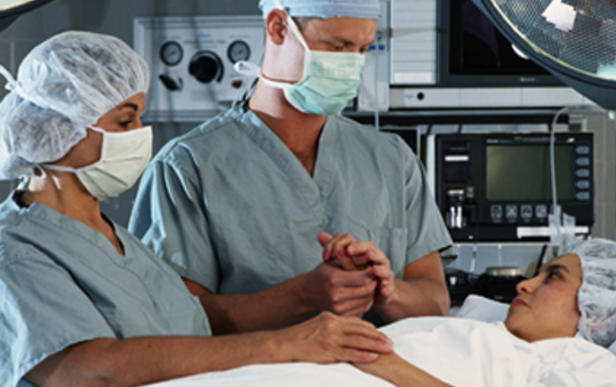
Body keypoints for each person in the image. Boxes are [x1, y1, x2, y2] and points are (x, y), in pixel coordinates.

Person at [0, 31, 394, 387]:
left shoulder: (116, 242)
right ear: (58, 127)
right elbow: (88, 369)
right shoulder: (15, 252)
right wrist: (285, 344)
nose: (140, 135)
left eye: (140, 118)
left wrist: (316, 293)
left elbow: (195, 327)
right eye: (124, 122)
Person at [129, 0, 454, 333]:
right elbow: (176, 321)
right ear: (278, 27)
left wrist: (388, 290)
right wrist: (305, 295)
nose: (352, 64)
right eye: (338, 46)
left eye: (363, 49)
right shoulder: (189, 167)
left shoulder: (391, 160)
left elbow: (435, 304)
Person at [147, 238, 616, 386]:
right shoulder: (488, 333)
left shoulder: (585, 364)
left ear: (596, 312)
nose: (527, 282)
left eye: (553, 278)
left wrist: (385, 364)